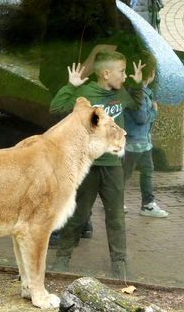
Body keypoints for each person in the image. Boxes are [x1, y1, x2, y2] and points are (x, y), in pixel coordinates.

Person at [49, 49, 144, 279]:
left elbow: (135, 106)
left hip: (112, 166)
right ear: (105, 73)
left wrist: (139, 85)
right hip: (89, 165)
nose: (124, 76)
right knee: (78, 214)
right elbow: (56, 107)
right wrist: (70, 86)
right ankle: (62, 258)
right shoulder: (85, 93)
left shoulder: (120, 93)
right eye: (121, 72)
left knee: (115, 216)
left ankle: (119, 264)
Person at [122, 51, 168, 218]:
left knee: (145, 171)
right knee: (126, 173)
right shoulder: (139, 93)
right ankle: (115, 201)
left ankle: (147, 203)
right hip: (134, 143)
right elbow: (141, 118)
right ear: (152, 74)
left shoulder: (140, 91)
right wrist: (154, 112)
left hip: (142, 142)